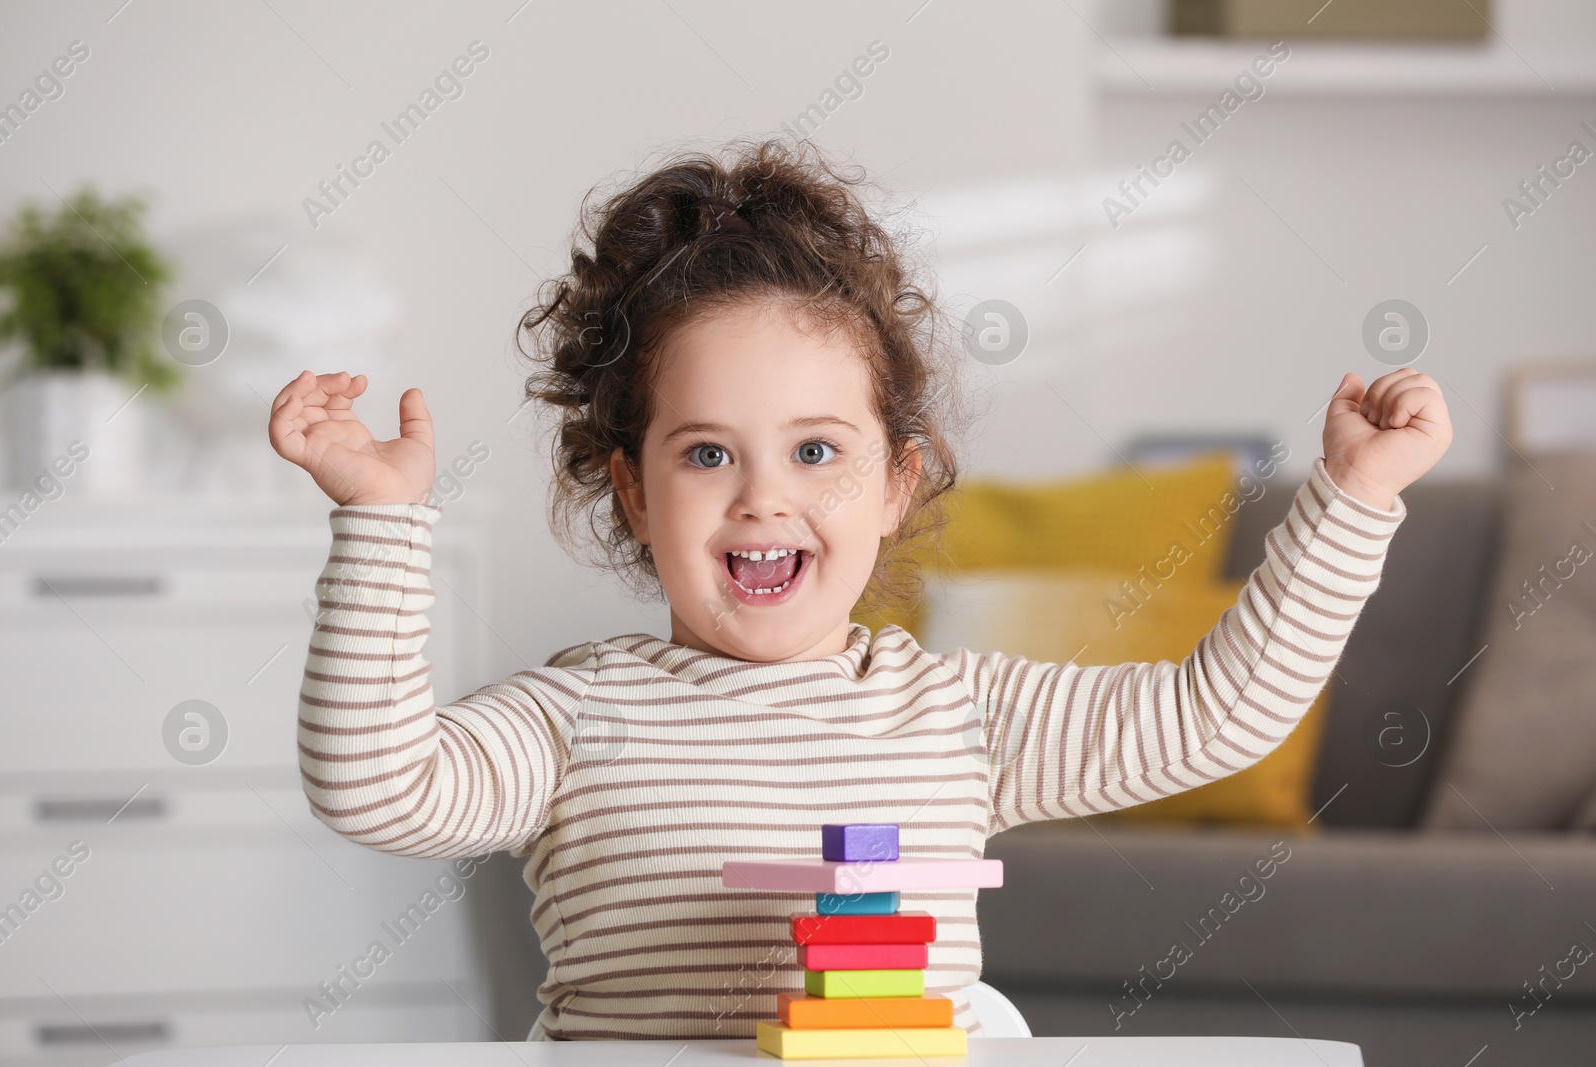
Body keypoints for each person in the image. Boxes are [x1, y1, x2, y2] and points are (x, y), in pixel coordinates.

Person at [267, 137, 1453, 1040]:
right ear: (633, 492)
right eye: (706, 451)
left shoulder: (957, 715)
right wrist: (379, 521)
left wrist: (1349, 500)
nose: (761, 498)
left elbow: (1220, 714)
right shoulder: (572, 722)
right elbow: (378, 789)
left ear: (899, 482)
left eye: (816, 450)